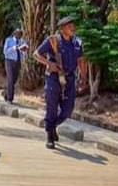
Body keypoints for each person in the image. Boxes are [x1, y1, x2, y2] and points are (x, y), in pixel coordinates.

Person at [33, 17, 88, 149]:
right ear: (62, 28)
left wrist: (84, 78)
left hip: (69, 78)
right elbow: (36, 54)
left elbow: (81, 60)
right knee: (52, 106)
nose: (72, 28)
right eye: (69, 26)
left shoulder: (77, 43)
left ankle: (52, 126)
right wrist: (49, 63)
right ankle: (49, 135)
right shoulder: (53, 40)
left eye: (73, 26)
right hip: (54, 77)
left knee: (67, 109)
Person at [3, 28, 28, 103]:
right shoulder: (9, 40)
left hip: (17, 62)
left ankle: (6, 93)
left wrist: (24, 51)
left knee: (14, 80)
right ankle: (10, 99)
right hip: (9, 61)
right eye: (18, 34)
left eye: (21, 34)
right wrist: (15, 48)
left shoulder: (22, 41)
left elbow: (23, 53)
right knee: (10, 79)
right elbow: (5, 52)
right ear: (14, 34)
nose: (20, 35)